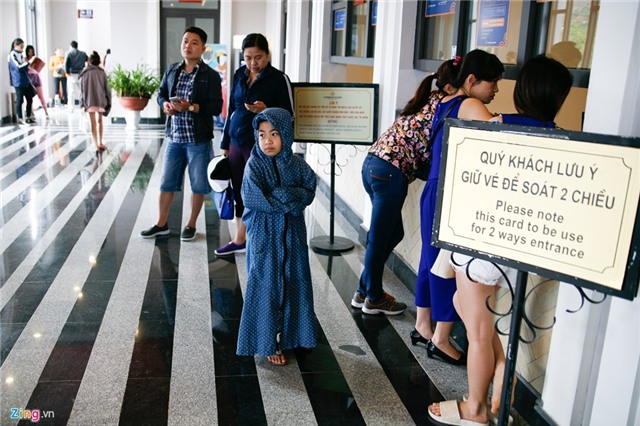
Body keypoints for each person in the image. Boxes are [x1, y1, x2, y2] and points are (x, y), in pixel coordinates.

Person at [429, 56, 573, 426]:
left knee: (477, 330)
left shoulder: (497, 126)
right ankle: (501, 378)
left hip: (479, 236)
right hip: (515, 245)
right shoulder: (561, 137)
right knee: (467, 305)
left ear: (523, 89)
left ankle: (476, 410)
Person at [415, 50, 504, 369]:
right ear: (471, 80)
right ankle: (440, 337)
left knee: (432, 259)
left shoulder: (446, 101)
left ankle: (423, 325)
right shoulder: (471, 104)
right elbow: (501, 136)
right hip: (449, 193)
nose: (496, 90)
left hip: (434, 190)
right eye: (493, 82)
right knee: (451, 264)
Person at [352, 59, 459, 316]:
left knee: (393, 233)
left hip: (373, 165)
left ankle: (363, 290)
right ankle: (374, 297)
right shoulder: (447, 106)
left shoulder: (427, 98)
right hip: (390, 173)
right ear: (452, 86)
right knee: (378, 239)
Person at [236, 107, 317, 365]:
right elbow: (252, 197)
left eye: (274, 134)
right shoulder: (255, 164)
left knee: (296, 281)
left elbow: (309, 189)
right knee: (266, 284)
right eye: (261, 135)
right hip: (264, 235)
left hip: (292, 234)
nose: (267, 141)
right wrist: (288, 197)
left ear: (286, 134)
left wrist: (286, 196)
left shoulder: (297, 165)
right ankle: (267, 342)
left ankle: (297, 334)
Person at [139, 26, 222, 242]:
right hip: (174, 138)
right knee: (167, 183)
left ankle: (192, 224)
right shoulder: (172, 70)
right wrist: (165, 103)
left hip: (198, 140)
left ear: (203, 48)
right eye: (185, 41)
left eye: (194, 42)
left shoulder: (210, 75)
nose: (188, 45)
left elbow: (216, 106)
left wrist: (191, 107)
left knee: (198, 185)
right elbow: (161, 94)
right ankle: (161, 223)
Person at [215, 33, 294, 256]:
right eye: (248, 57)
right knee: (239, 189)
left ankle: (263, 241)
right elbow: (231, 109)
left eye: (258, 57)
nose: (252, 63)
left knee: (259, 191)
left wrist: (266, 110)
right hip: (236, 141)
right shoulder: (240, 74)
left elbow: (290, 114)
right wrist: (225, 141)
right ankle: (240, 238)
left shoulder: (279, 79)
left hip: (261, 145)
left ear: (267, 55)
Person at [80, 51, 112, 153]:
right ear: (99, 61)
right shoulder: (102, 73)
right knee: (100, 121)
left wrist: (82, 103)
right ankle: (101, 141)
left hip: (89, 101)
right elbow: (107, 89)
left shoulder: (84, 73)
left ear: (89, 61)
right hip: (101, 100)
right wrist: (109, 101)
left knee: (93, 123)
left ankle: (95, 144)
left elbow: (82, 90)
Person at [7, 38, 35, 125]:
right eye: (21, 46)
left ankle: (28, 117)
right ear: (15, 45)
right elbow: (18, 67)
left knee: (30, 99)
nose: (22, 48)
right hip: (18, 81)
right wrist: (29, 62)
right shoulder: (12, 55)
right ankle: (20, 118)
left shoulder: (20, 55)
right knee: (20, 100)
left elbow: (24, 67)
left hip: (25, 80)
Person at [24, 45, 49, 119]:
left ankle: (46, 112)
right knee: (29, 97)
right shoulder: (25, 59)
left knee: (41, 96)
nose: (30, 53)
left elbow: (38, 68)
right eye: (29, 51)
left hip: (36, 77)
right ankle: (31, 113)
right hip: (29, 78)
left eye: (31, 51)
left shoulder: (36, 59)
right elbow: (25, 67)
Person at [65, 40, 88, 110]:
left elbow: (66, 64)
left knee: (71, 91)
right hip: (81, 74)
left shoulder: (68, 53)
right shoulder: (83, 54)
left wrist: (67, 72)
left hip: (72, 75)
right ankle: (83, 105)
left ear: (71, 46)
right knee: (82, 90)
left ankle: (70, 107)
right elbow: (89, 60)